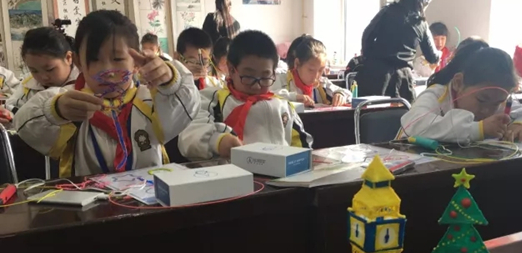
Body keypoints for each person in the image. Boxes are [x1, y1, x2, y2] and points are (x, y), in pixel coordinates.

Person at [15, 10, 200, 178]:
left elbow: (187, 104)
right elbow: (25, 125)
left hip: (149, 197)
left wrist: (170, 81)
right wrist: (56, 110)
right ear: (78, 62)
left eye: (117, 59)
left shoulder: (152, 100)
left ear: (135, 62)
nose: (107, 70)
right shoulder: (69, 102)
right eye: (94, 59)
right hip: (88, 200)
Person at [178, 30, 312, 160]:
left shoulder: (283, 106)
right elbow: (189, 135)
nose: (257, 86)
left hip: (278, 173)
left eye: (265, 77)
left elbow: (301, 143)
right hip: (230, 172)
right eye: (248, 76)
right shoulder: (212, 100)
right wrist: (217, 141)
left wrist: (300, 161)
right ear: (231, 70)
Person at [400, 43, 522, 144]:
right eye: (481, 100)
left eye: (497, 103)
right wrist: (478, 129)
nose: (488, 110)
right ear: (458, 82)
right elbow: (413, 125)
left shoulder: (497, 98)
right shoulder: (436, 95)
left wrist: (521, 124)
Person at [356, 0, 440, 103]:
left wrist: (369, 58)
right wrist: (439, 55)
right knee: (403, 112)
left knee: (370, 110)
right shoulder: (421, 23)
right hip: (402, 79)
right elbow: (432, 57)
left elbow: (367, 35)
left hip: (375, 73)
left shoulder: (387, 11)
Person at [5, 27, 79, 115]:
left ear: (68, 58)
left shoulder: (85, 83)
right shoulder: (28, 85)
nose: (43, 77)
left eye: (50, 69)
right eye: (34, 71)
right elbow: (11, 108)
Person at [273, 35, 352, 107]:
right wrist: (294, 97)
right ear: (297, 63)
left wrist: (340, 94)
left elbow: (348, 94)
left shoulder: (322, 83)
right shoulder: (281, 79)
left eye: (321, 70)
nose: (316, 76)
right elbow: (269, 96)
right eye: (311, 70)